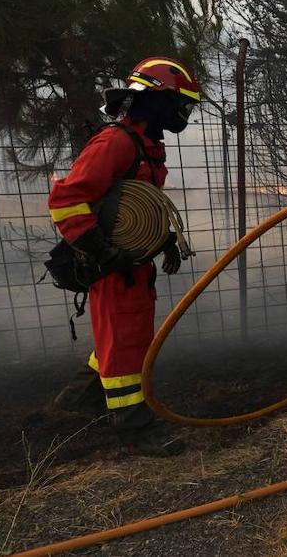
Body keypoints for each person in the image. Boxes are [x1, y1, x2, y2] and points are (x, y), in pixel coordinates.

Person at [48, 57, 198, 456]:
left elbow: (138, 205)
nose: (184, 113)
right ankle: (134, 427)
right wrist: (101, 250)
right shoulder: (114, 143)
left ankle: (78, 398)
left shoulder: (147, 146)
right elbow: (66, 201)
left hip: (132, 262)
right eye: (181, 103)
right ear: (157, 100)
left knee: (123, 338)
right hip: (111, 267)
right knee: (126, 346)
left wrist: (161, 239)